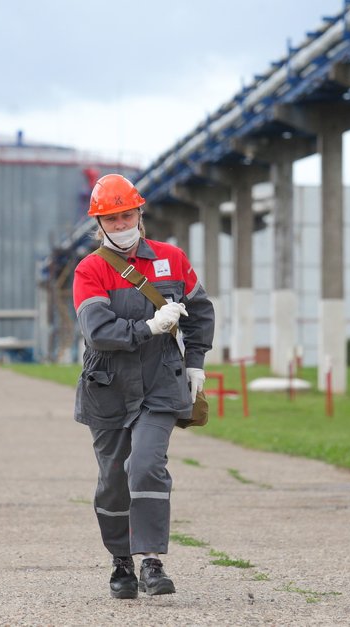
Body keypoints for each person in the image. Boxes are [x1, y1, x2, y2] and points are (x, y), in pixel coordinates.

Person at [71, 173, 215, 598]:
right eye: (111, 218)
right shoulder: (90, 268)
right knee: (113, 479)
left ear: (140, 212)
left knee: (146, 464)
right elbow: (97, 329)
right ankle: (121, 563)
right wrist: (149, 326)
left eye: (126, 214)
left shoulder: (172, 258)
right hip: (108, 384)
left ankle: (151, 561)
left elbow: (201, 310)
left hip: (159, 382)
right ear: (99, 223)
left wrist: (195, 364)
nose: (121, 224)